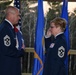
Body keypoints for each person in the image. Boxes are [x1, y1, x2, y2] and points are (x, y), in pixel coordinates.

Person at [0, 6, 25, 75]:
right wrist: (21, 51)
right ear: (11, 15)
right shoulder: (5, 29)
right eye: (18, 15)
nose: (19, 18)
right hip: (8, 69)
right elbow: (7, 50)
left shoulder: (9, 28)